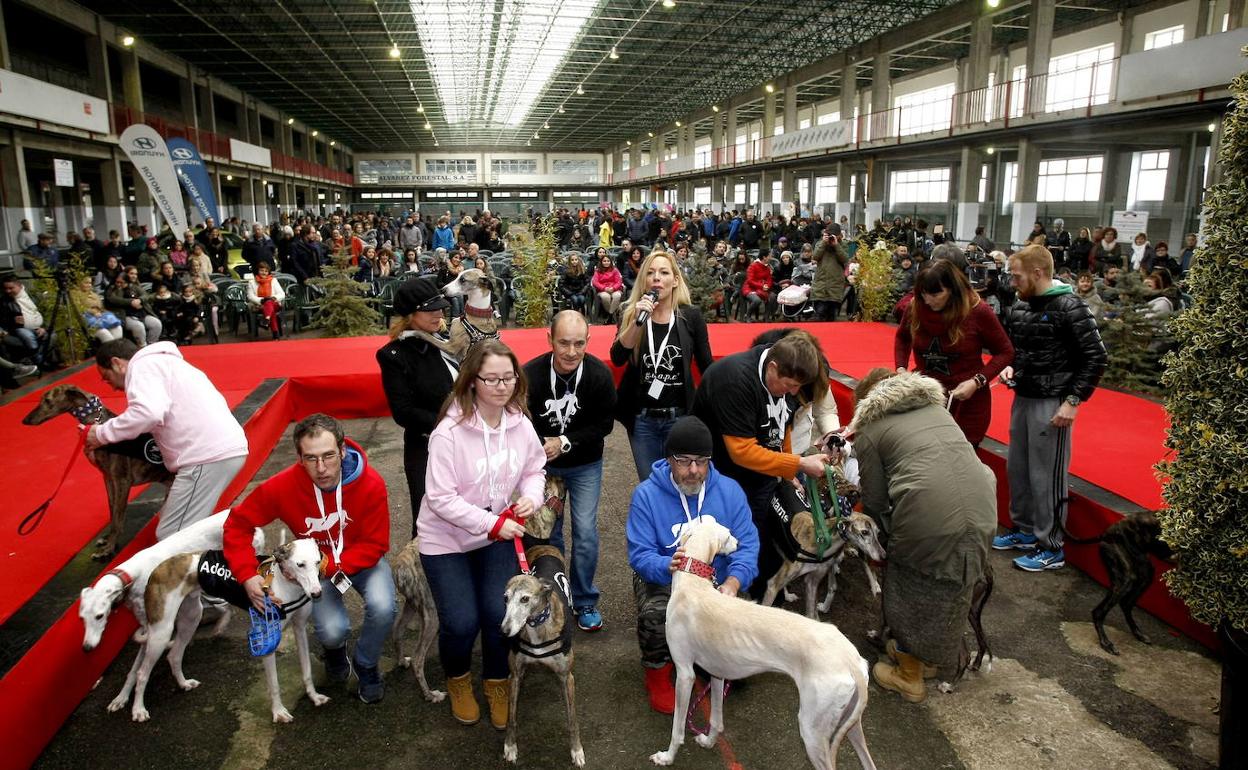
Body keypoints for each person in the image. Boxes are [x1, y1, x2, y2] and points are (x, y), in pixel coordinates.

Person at [845, 369, 996, 703]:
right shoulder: (938, 411)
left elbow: (875, 500)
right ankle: (927, 658)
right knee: (950, 589)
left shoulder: (871, 429)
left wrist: (881, 540)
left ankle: (908, 675)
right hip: (983, 511)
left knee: (908, 588)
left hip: (929, 519)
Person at [418, 339, 547, 730]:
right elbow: (440, 498)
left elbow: (534, 468)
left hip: (496, 534)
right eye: (491, 378)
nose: (501, 386)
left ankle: (497, 682)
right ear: (472, 381)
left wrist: (531, 496)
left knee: (498, 614)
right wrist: (492, 523)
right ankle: (458, 680)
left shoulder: (520, 422)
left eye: (508, 377)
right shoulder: (449, 433)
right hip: (447, 540)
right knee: (460, 621)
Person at [222, 413, 393, 704]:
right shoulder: (283, 486)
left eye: (329, 455)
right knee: (331, 631)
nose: (322, 468)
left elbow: (376, 543)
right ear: (299, 458)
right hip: (313, 571)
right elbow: (237, 525)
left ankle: (366, 664)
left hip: (360, 560)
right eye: (311, 459)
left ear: (342, 450)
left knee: (384, 606)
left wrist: (332, 566)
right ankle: (335, 651)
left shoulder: (371, 483)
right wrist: (246, 574)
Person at [625, 416, 760, 714]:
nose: (694, 471)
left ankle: (703, 654)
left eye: (701, 461)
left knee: (745, 633)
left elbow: (748, 546)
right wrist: (666, 564)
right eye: (684, 461)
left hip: (718, 580)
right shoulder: (646, 495)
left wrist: (734, 582)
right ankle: (658, 674)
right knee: (655, 615)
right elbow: (639, 553)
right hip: (667, 578)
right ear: (668, 459)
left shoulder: (730, 491)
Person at [690, 330, 833, 593]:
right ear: (773, 367)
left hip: (760, 472)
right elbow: (741, 451)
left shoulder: (788, 374)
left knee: (760, 538)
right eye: (789, 385)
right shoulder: (734, 379)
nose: (794, 392)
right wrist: (798, 465)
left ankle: (756, 593)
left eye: (797, 387)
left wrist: (788, 471)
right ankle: (725, 592)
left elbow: (783, 426)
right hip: (721, 474)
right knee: (730, 538)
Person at [995, 245, 1107, 572]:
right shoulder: (1021, 306)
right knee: (1018, 467)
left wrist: (1073, 401)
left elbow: (1095, 357)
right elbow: (1017, 350)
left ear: (1037, 273)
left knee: (1047, 475)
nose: (1013, 282)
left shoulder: (1071, 307)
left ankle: (1051, 546)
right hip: (1024, 397)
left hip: (1053, 402)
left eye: (1017, 275)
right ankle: (1026, 530)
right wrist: (1010, 367)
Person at [86, 338, 248, 539]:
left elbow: (148, 413)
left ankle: (238, 547)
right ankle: (232, 548)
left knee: (171, 536)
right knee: (183, 524)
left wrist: (101, 433)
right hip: (220, 451)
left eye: (106, 377)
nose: (111, 386)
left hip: (205, 457)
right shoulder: (168, 363)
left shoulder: (141, 367)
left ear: (117, 363)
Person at [523, 311, 617, 632]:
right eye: (564, 343)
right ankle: (552, 596)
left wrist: (563, 441)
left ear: (588, 342)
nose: (571, 352)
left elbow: (604, 425)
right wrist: (539, 445)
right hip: (544, 468)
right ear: (550, 340)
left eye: (579, 344)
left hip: (585, 464)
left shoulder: (599, 375)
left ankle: (585, 598)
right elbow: (518, 423)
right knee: (547, 533)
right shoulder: (531, 375)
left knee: (586, 533)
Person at [610, 250, 713, 482]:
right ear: (644, 280)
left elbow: (707, 365)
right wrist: (637, 322)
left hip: (679, 417)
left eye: (664, 272)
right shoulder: (631, 314)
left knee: (680, 482)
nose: (657, 278)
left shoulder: (691, 316)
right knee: (651, 484)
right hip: (642, 419)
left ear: (675, 280)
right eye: (651, 273)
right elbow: (617, 357)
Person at [894, 260, 1014, 447]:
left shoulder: (977, 310)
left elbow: (1005, 352)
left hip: (966, 403)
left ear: (952, 289)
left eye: (935, 293)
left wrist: (977, 381)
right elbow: (902, 337)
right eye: (923, 293)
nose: (928, 300)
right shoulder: (915, 307)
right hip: (926, 397)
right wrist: (901, 369)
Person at [376, 278, 457, 538]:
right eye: (430, 309)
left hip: (467, 443)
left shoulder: (446, 343)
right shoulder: (394, 355)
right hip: (426, 447)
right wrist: (450, 424)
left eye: (441, 307)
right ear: (410, 315)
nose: (439, 313)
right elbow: (403, 411)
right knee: (428, 522)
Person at [1, 275, 47, 366]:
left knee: (52, 336)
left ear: (19, 286)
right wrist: (13, 321)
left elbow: (44, 312)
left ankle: (34, 358)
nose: (8, 291)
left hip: (38, 327)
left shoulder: (32, 295)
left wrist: (44, 328)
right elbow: (3, 321)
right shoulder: (4, 301)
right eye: (5, 288)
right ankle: (39, 361)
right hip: (20, 329)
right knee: (29, 338)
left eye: (11, 288)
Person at [811, 226, 848, 321]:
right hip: (821, 283)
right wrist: (824, 243)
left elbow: (845, 259)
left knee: (832, 317)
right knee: (819, 314)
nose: (831, 237)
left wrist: (836, 245)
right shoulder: (820, 243)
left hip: (835, 284)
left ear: (839, 236)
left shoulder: (843, 245)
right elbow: (815, 256)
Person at [246, 261, 285, 339]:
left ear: (268, 272)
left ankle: (266, 320)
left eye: (266, 271)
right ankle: (275, 332)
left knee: (269, 302)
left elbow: (282, 294)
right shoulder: (252, 282)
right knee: (270, 308)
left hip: (275, 303)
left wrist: (273, 298)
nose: (264, 273)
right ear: (258, 271)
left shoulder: (273, 281)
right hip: (260, 305)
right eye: (261, 270)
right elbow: (250, 296)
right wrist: (261, 300)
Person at [591, 249, 624, 322]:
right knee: (605, 297)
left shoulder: (615, 270)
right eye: (604, 261)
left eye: (608, 261)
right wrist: (604, 288)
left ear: (610, 262)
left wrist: (613, 288)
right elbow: (595, 282)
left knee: (617, 296)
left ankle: (610, 315)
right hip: (603, 290)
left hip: (614, 289)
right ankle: (612, 315)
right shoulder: (598, 271)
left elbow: (619, 281)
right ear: (601, 262)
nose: (606, 262)